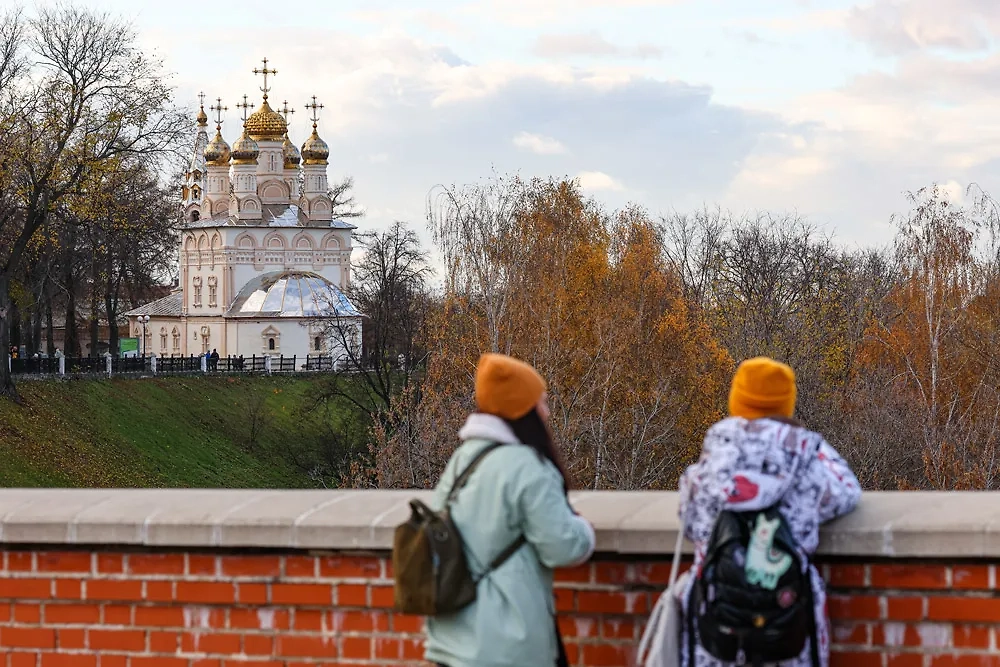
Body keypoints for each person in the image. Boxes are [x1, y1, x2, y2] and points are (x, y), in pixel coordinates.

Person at [678, 357, 861, 667]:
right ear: (786, 406)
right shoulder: (806, 460)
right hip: (784, 623)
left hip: (717, 627)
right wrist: (810, 445)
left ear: (736, 401)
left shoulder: (711, 462)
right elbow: (846, 493)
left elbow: (691, 525)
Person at [425, 353, 595, 667]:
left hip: (453, 637)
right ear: (523, 411)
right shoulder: (528, 467)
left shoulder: (463, 458)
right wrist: (584, 530)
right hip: (506, 642)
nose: (547, 412)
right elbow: (563, 547)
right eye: (541, 403)